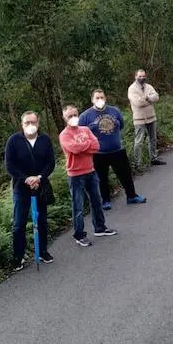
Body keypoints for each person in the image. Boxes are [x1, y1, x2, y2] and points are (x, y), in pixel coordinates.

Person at [58, 105, 118, 247]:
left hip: (90, 171)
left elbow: (96, 146)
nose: (73, 118)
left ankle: (100, 227)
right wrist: (86, 145)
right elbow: (74, 148)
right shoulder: (64, 135)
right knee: (78, 207)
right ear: (65, 118)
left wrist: (82, 146)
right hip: (75, 174)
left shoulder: (85, 129)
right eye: (69, 116)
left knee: (96, 201)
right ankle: (79, 235)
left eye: (75, 114)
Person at [4, 110, 56, 270]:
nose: (31, 125)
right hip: (21, 188)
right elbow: (9, 165)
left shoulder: (45, 139)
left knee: (41, 220)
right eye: (27, 123)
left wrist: (39, 177)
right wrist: (26, 178)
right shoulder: (13, 141)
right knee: (19, 224)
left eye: (34, 122)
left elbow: (50, 162)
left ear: (38, 123)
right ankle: (18, 257)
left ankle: (42, 251)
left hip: (40, 186)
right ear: (22, 124)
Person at [79, 90, 147, 210]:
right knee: (102, 178)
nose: (100, 99)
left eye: (102, 97)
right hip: (98, 153)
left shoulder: (114, 110)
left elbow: (121, 125)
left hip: (117, 150)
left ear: (105, 98)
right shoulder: (85, 116)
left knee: (126, 175)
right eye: (97, 97)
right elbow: (80, 134)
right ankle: (105, 200)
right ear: (92, 100)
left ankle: (131, 196)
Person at [127, 69, 165, 168]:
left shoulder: (149, 86)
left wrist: (147, 98)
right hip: (139, 118)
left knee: (153, 139)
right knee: (139, 141)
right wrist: (149, 100)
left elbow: (156, 97)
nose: (142, 78)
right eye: (140, 76)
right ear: (135, 76)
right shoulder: (132, 89)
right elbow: (138, 103)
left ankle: (153, 158)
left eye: (143, 76)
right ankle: (137, 164)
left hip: (151, 117)